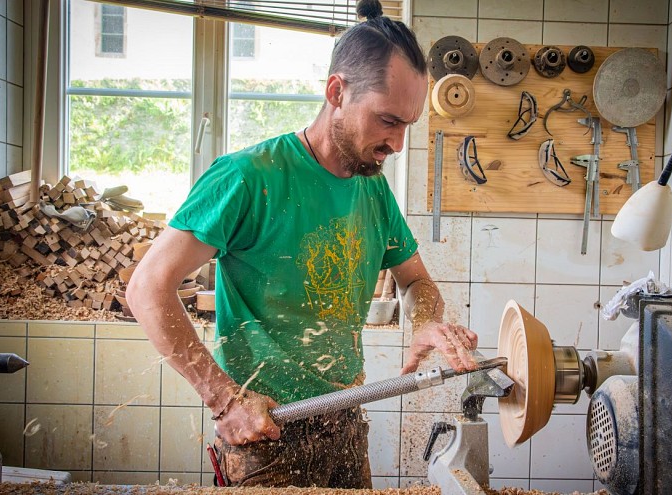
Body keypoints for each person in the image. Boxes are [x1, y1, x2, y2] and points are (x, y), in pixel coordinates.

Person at [126, 0, 479, 488]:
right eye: (387, 121)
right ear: (337, 90)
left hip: (345, 421)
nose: (397, 144)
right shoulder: (247, 177)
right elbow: (147, 288)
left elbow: (414, 279)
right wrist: (225, 400)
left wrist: (426, 322)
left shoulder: (371, 186)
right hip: (262, 431)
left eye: (406, 126)